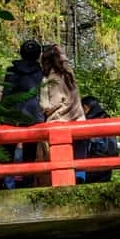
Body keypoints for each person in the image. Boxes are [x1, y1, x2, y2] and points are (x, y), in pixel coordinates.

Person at [0, 38, 44, 190]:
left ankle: (4, 186)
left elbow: (3, 94)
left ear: (21, 53)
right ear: (38, 55)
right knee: (29, 156)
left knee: (6, 155)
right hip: (32, 117)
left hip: (9, 116)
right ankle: (27, 186)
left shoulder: (10, 71)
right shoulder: (41, 73)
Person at [39, 43, 86, 180]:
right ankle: (80, 181)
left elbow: (48, 105)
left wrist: (45, 110)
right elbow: (66, 62)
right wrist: (59, 52)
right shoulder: (69, 75)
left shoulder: (48, 79)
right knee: (78, 163)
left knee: (60, 167)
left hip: (58, 123)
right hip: (79, 121)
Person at [79, 95, 120, 184]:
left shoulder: (89, 121)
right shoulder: (106, 118)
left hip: (92, 162)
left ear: (86, 107)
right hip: (108, 163)